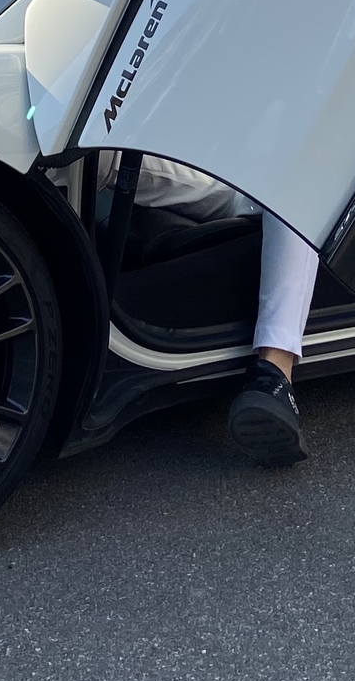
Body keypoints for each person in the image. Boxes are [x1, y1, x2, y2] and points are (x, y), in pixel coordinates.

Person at [127, 158, 320, 467]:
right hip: (201, 160)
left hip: (279, 174)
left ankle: (275, 376)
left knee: (301, 186)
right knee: (95, 156)